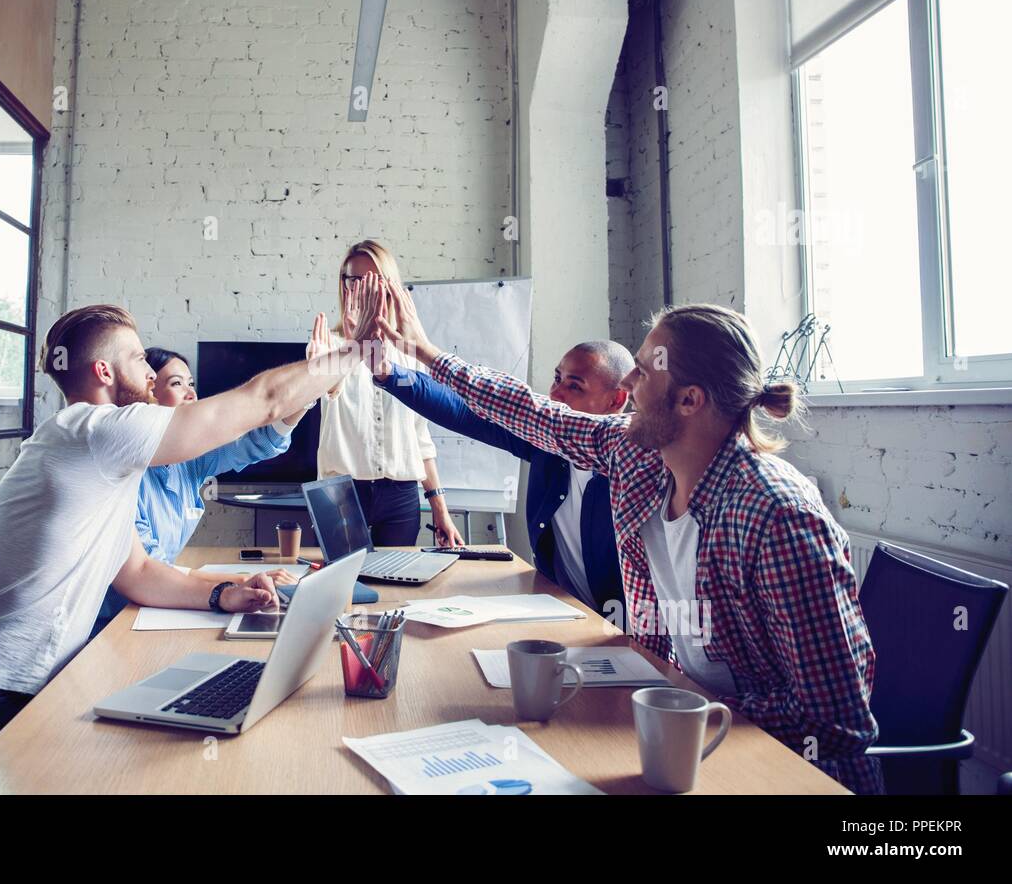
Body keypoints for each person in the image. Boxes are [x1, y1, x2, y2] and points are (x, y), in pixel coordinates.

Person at [358, 275, 883, 794]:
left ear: (689, 401)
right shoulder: (637, 455)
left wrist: (684, 706)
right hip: (680, 743)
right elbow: (529, 411)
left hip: (779, 769)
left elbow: (835, 719)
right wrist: (423, 351)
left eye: (643, 372)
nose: (628, 384)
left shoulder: (776, 516)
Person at [0, 304, 362, 791]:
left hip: (29, 691)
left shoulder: (96, 456)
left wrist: (223, 593)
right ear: (104, 371)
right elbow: (264, 399)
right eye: (139, 359)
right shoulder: (98, 431)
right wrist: (354, 352)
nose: (151, 372)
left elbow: (139, 573)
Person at [372, 339, 633, 613]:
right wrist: (387, 373)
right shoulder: (546, 444)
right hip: (563, 611)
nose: (556, 394)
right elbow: (462, 412)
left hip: (620, 632)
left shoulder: (631, 464)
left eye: (574, 386)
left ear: (616, 399)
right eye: (557, 378)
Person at [92, 347, 302, 636]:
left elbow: (258, 442)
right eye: (177, 384)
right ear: (147, 395)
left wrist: (308, 397)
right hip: (110, 624)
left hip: (154, 607)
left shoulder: (189, 461)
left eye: (191, 384)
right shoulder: (124, 473)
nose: (191, 394)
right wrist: (239, 583)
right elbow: (147, 570)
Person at [307, 240, 463, 548]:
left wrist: (439, 507)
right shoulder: (329, 343)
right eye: (355, 279)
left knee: (396, 588)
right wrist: (352, 350)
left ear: (388, 284)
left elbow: (420, 436)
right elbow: (329, 390)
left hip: (401, 496)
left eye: (373, 279)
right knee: (341, 590)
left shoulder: (410, 351)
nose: (363, 288)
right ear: (344, 285)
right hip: (340, 494)